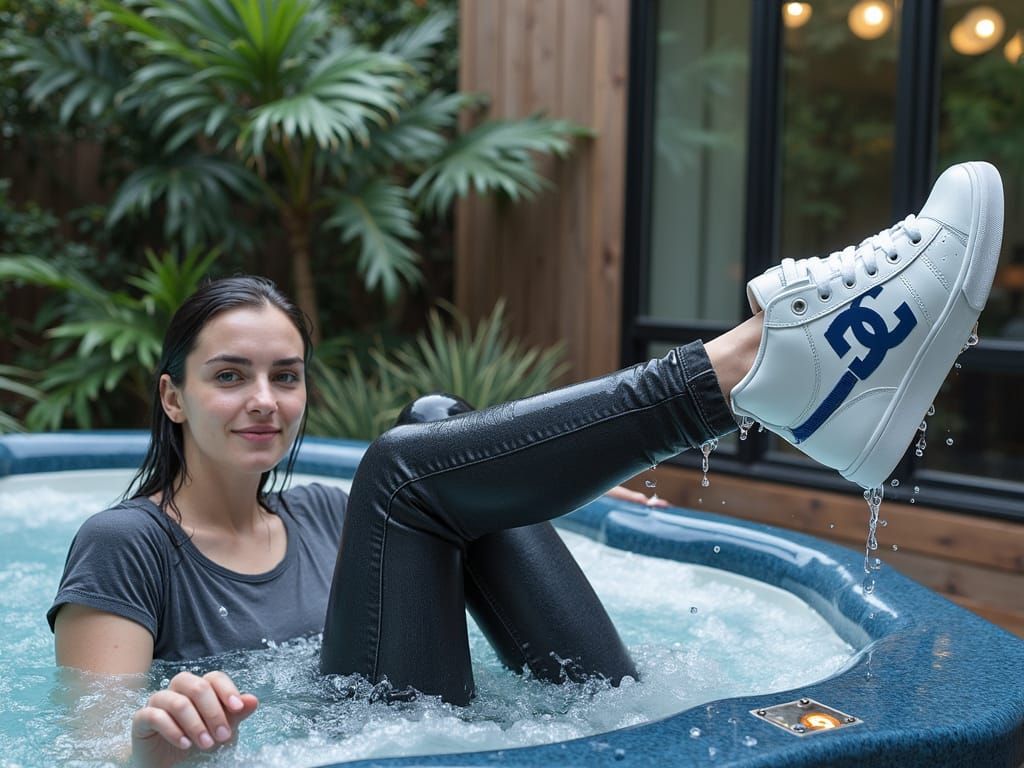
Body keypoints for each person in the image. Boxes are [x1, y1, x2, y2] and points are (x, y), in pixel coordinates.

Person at [49, 161, 1003, 766]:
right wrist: (154, 744)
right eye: (229, 376)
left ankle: (780, 376)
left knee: (435, 423)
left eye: (285, 375)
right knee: (410, 465)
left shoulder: (326, 518)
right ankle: (757, 362)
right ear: (172, 397)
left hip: (488, 736)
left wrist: (551, 501)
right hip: (352, 757)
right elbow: (86, 753)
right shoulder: (125, 543)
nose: (265, 399)